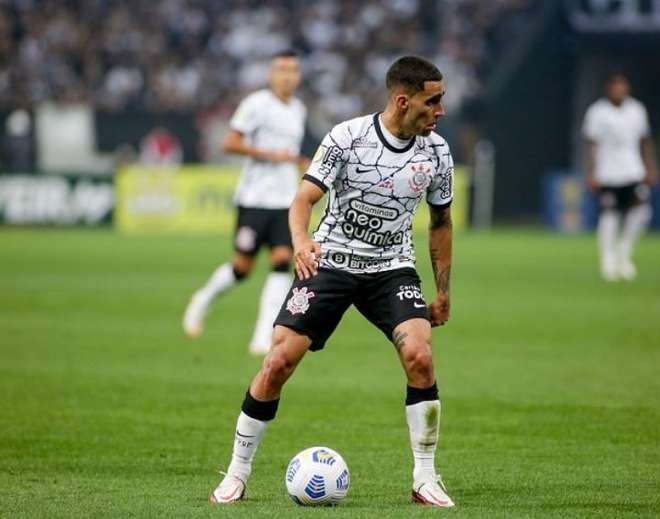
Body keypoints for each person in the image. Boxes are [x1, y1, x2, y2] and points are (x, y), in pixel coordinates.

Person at [209, 55, 456, 507]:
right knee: (278, 362)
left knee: (420, 356)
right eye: (433, 101)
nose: (440, 110)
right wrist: (302, 242)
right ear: (403, 100)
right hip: (332, 262)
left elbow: (441, 222)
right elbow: (303, 198)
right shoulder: (349, 137)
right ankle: (238, 473)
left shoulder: (437, 151)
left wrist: (442, 291)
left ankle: (425, 478)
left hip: (391, 268)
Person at [183, 50, 308, 355]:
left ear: (299, 75)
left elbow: (288, 153)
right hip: (254, 199)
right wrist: (269, 154)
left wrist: (298, 163)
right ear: (271, 75)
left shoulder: (299, 109)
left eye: (292, 69)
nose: (287, 75)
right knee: (242, 267)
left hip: (284, 201)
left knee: (281, 262)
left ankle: (263, 336)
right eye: (281, 69)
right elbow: (230, 142)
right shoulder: (256, 104)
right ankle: (203, 299)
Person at [582, 72, 659, 282]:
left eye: (622, 86)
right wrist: (591, 171)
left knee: (642, 211)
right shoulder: (598, 112)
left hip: (632, 170)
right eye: (616, 86)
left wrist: (651, 167)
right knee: (610, 216)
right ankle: (607, 259)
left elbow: (645, 140)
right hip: (607, 173)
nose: (619, 90)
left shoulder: (636, 110)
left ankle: (624, 252)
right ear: (608, 88)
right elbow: (591, 143)